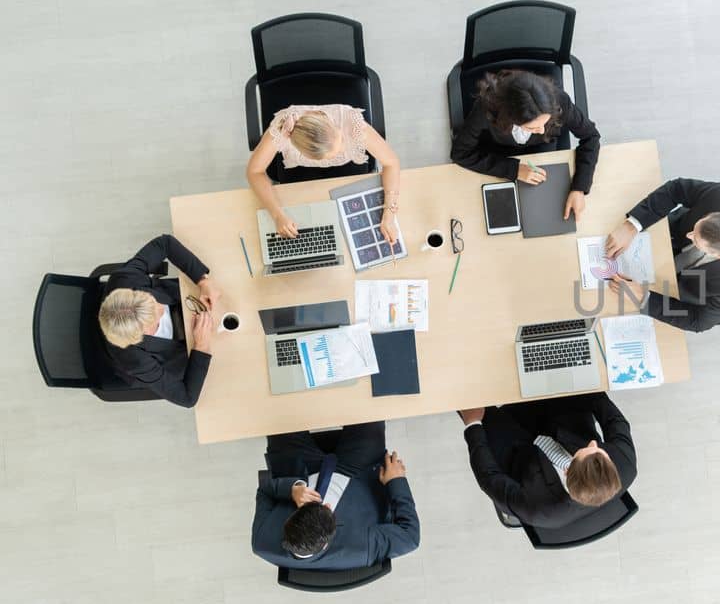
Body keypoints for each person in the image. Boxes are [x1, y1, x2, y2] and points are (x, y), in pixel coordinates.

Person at [251, 422, 419, 571]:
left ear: (289, 522)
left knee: (280, 416)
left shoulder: (263, 542)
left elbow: (265, 490)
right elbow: (411, 537)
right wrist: (396, 481)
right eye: (328, 511)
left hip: (298, 470)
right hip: (358, 472)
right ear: (327, 543)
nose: (328, 505)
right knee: (368, 414)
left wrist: (292, 489)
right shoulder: (361, 547)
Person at [456, 392, 635, 528]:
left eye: (586, 450)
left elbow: (488, 477)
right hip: (566, 425)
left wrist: (473, 425)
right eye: (600, 451)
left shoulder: (537, 509)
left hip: (517, 454)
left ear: (567, 470)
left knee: (468, 399)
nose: (594, 443)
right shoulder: (624, 464)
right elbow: (614, 419)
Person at [605, 178, 720, 332]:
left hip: (678, 286)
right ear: (713, 214)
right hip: (667, 236)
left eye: (696, 240)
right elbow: (676, 189)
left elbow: (698, 321)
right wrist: (632, 226)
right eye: (696, 228)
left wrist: (642, 297)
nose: (689, 235)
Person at [450, 69, 601, 221]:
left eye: (545, 122)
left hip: (541, 150)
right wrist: (514, 170)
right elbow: (460, 153)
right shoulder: (487, 109)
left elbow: (591, 136)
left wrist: (579, 188)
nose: (542, 130)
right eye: (532, 127)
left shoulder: (560, 101)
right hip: (499, 153)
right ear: (510, 118)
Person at [247, 104, 404, 244]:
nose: (341, 149)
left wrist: (389, 214)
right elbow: (254, 171)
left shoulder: (352, 124)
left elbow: (391, 162)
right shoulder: (284, 126)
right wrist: (277, 215)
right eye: (331, 155)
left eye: (341, 139)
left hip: (347, 174)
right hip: (302, 178)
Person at [98, 234, 221, 407]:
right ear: (140, 336)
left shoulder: (124, 279)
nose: (161, 308)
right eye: (155, 319)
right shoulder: (136, 360)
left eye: (151, 300)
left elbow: (165, 243)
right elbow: (187, 398)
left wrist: (202, 280)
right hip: (184, 349)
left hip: (189, 300)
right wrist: (201, 346)